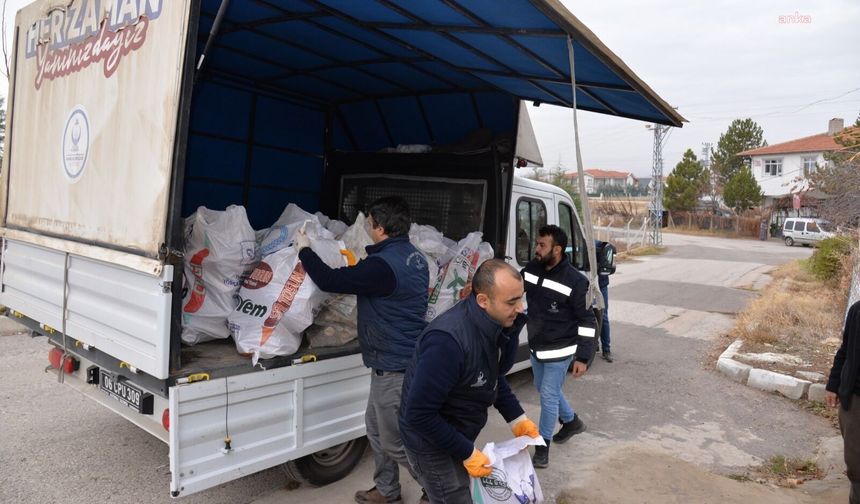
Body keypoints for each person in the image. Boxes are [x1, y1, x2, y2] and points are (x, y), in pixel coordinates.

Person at [296, 196, 429, 504]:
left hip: (395, 365)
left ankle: (442, 490)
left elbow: (329, 280)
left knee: (395, 442)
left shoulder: (383, 266)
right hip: (393, 359)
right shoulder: (413, 256)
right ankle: (387, 490)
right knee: (376, 431)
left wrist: (304, 250)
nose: (367, 227)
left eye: (369, 223)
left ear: (379, 228)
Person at [399, 259, 540, 504]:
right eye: (511, 302)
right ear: (483, 301)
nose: (520, 308)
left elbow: (489, 376)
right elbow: (419, 414)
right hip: (429, 441)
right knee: (455, 495)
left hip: (458, 430)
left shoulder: (495, 325)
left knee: (449, 491)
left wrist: (517, 418)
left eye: (521, 298)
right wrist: (467, 452)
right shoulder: (447, 342)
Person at [522, 225, 597, 468]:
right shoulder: (533, 269)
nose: (537, 249)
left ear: (557, 249)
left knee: (548, 396)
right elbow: (513, 284)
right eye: (537, 243)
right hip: (537, 346)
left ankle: (542, 448)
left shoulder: (576, 281)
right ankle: (572, 422)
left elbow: (587, 321)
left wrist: (583, 357)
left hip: (560, 351)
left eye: (542, 245)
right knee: (544, 389)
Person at [825, 300, 860, 504]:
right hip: (854, 401)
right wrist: (833, 384)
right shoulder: (856, 310)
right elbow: (845, 350)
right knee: (856, 465)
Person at [595, 240, 616, 362]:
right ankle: (594, 344)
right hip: (585, 283)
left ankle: (606, 349)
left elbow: (611, 251)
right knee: (588, 316)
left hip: (601, 284)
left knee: (603, 316)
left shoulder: (600, 245)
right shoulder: (579, 243)